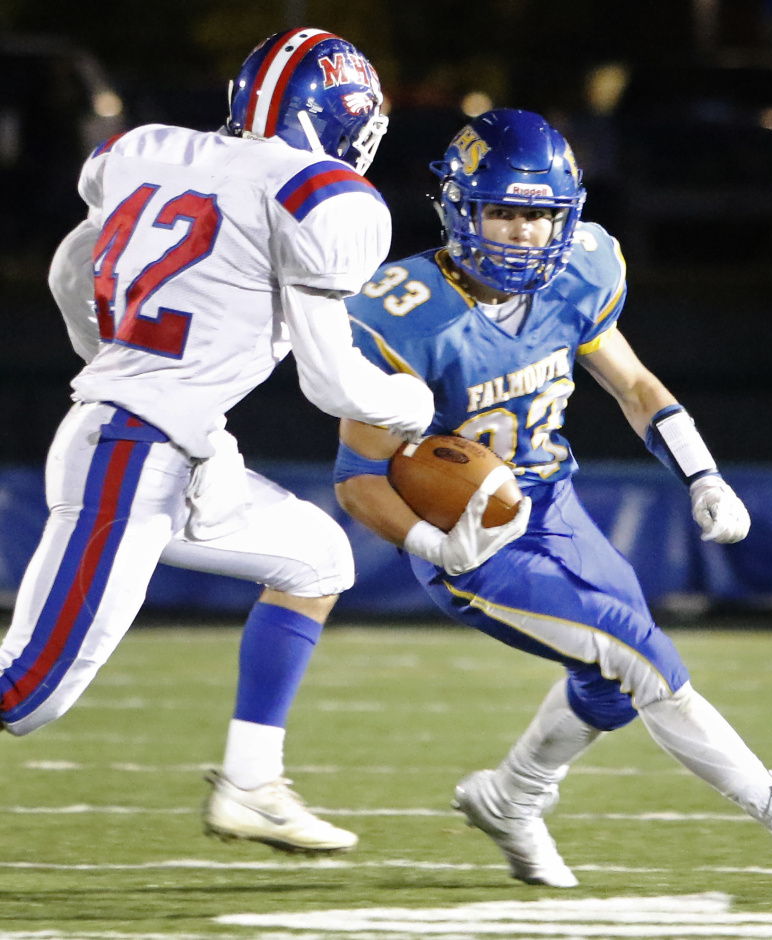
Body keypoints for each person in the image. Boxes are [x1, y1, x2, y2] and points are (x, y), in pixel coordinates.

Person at [334, 108, 772, 886]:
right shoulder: (405, 315)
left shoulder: (582, 270)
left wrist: (701, 472)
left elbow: (632, 384)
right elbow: (356, 477)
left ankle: (511, 797)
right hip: (473, 532)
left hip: (554, 503)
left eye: (540, 214)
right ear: (460, 208)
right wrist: (432, 547)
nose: (523, 233)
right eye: (505, 212)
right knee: (635, 650)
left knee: (610, 684)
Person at [0, 28, 434, 857]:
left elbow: (68, 273)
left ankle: (251, 784)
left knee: (316, 560)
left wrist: (124, 367)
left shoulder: (148, 151)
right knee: (25, 693)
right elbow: (333, 385)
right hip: (129, 452)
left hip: (175, 446)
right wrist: (412, 404)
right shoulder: (317, 195)